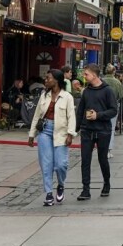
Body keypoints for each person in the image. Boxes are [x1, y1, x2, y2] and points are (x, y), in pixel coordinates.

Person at [27, 69, 76, 206]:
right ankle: (48, 193)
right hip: (45, 131)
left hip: (61, 132)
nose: (46, 80)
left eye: (48, 78)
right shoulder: (44, 95)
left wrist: (70, 134)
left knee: (61, 164)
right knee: (46, 163)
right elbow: (37, 115)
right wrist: (32, 135)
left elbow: (71, 116)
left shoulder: (67, 97)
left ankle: (60, 185)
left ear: (56, 80)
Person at [74, 64, 118, 201]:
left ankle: (106, 183)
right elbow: (80, 111)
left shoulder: (107, 90)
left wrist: (97, 115)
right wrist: (74, 129)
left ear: (94, 75)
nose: (83, 76)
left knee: (102, 159)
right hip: (87, 130)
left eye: (86, 74)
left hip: (103, 130)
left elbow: (113, 110)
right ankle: (85, 189)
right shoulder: (86, 91)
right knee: (85, 160)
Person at [102, 70, 123, 158]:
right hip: (113, 106)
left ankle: (104, 148)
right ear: (113, 72)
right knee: (111, 129)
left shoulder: (101, 80)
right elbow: (121, 95)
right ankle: (109, 149)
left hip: (102, 106)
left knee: (102, 128)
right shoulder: (117, 82)